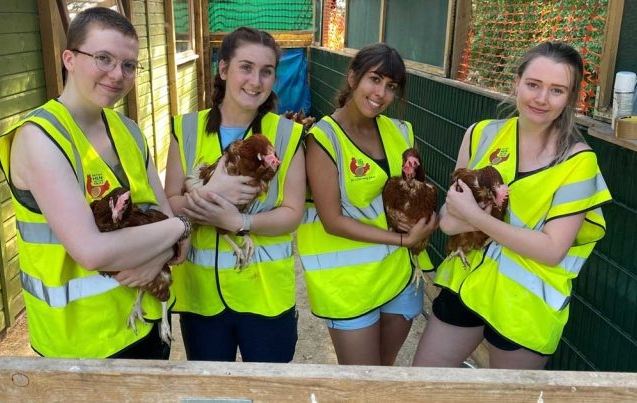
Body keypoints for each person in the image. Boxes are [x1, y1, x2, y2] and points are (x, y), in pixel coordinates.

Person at [0, 7, 188, 359]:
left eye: (128, 65)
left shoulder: (129, 131)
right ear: (69, 59)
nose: (117, 74)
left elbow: (165, 220)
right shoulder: (41, 138)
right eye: (103, 58)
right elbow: (91, 251)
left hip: (148, 319)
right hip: (83, 346)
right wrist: (180, 229)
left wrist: (166, 246)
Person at [412, 41, 613, 369]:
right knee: (422, 383)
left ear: (570, 98)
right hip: (466, 281)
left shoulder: (578, 162)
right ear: (516, 82)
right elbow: (448, 221)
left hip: (526, 305)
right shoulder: (480, 134)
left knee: (507, 393)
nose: (541, 98)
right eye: (533, 84)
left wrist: (476, 217)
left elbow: (552, 250)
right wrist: (463, 217)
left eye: (557, 90)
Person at [164, 27, 306, 363]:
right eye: (246, 67)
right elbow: (169, 204)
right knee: (214, 389)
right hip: (203, 299)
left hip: (266, 296)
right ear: (224, 69)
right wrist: (209, 195)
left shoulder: (287, 134)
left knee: (269, 388)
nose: (256, 81)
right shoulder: (186, 128)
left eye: (266, 71)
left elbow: (292, 213)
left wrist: (239, 221)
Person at [297, 43, 438, 366]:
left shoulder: (401, 132)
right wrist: (403, 239)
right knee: (361, 383)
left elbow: (413, 195)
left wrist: (425, 222)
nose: (381, 93)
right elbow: (332, 220)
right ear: (352, 77)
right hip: (348, 285)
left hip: (399, 276)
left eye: (391, 86)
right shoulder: (324, 138)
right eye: (374, 79)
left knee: (384, 371)